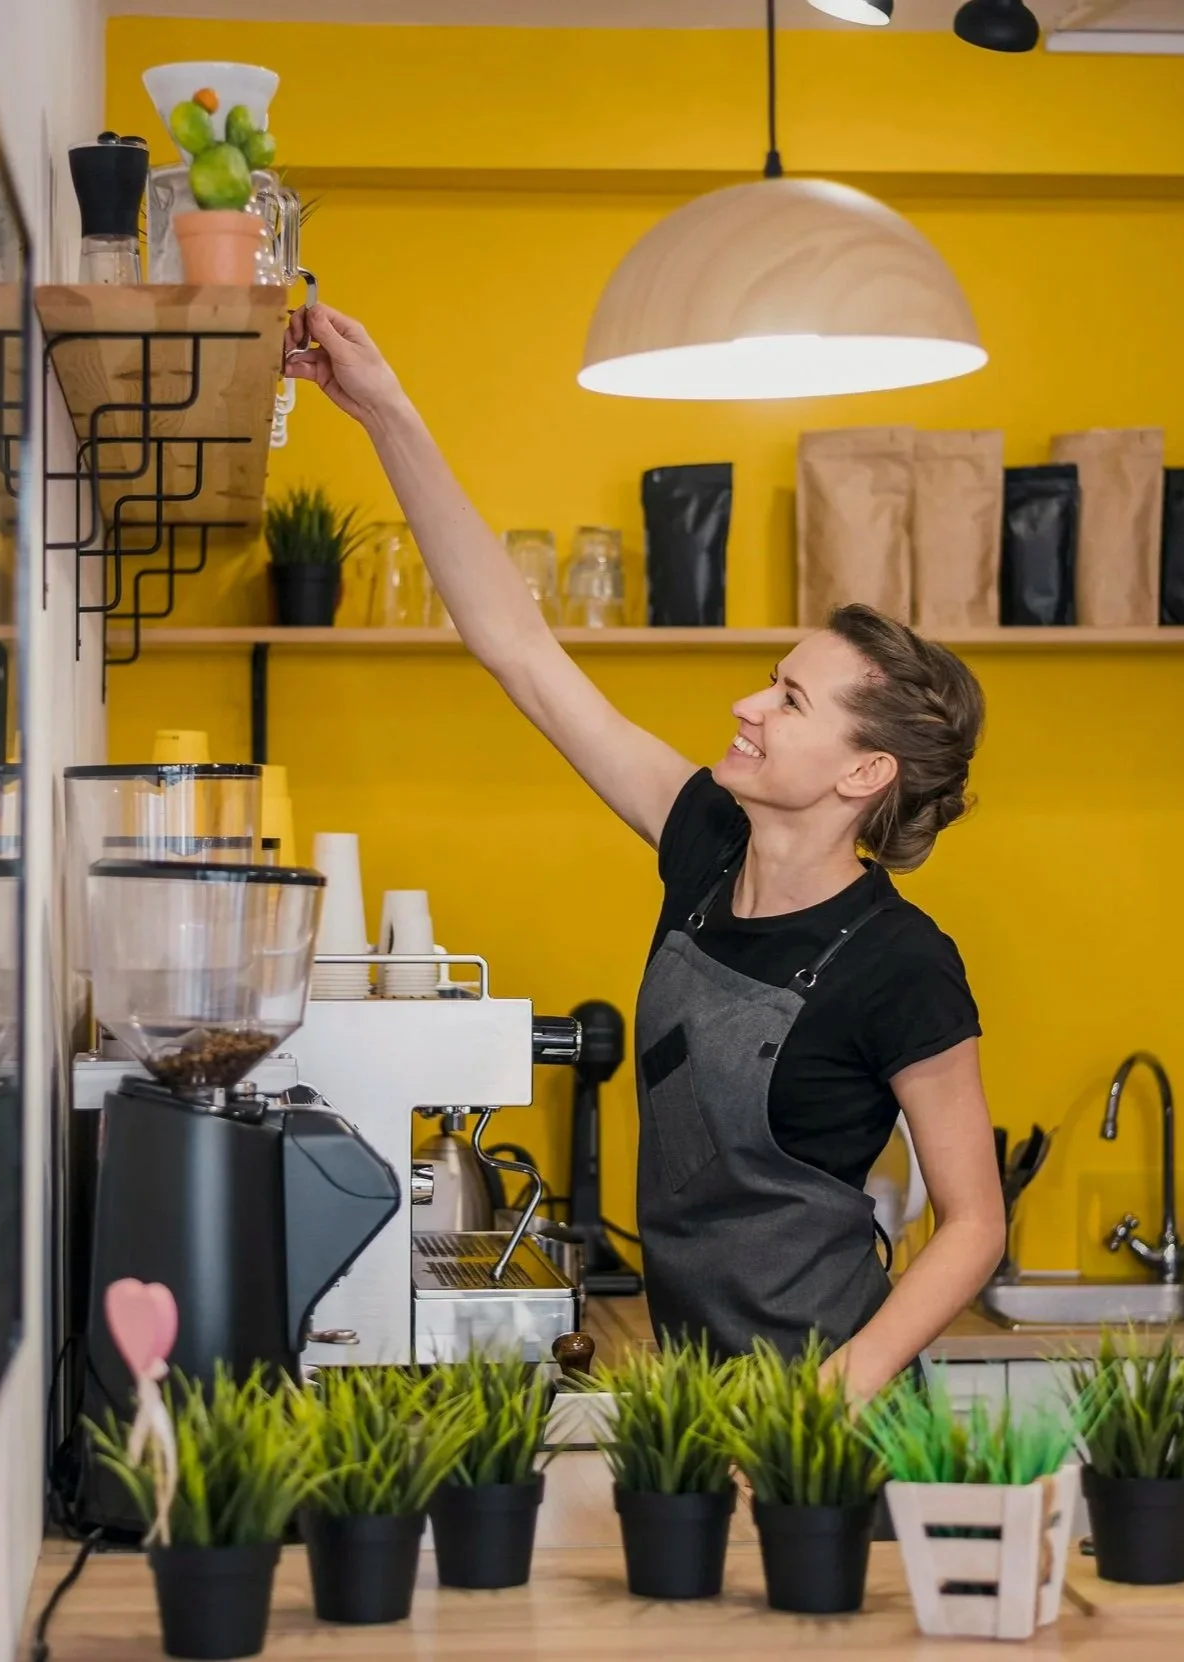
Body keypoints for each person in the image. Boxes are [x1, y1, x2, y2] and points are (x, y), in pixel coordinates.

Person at [283, 303, 1005, 1397]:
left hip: (829, 1424)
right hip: (695, 1393)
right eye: (772, 678)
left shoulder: (901, 965)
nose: (749, 704)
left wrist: (830, 1400)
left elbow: (974, 1224)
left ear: (865, 774)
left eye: (791, 700)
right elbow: (517, 648)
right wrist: (385, 410)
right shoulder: (705, 844)